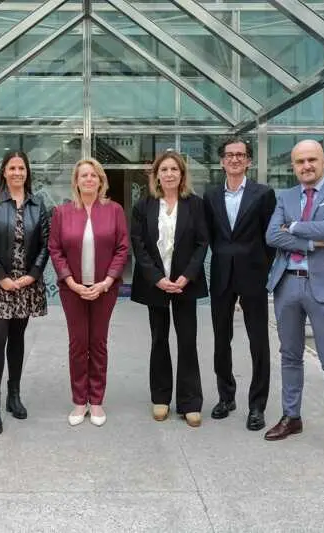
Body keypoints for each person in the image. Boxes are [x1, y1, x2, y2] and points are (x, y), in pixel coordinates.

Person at [264, 139, 324, 461]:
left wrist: (296, 227)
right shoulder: (285, 196)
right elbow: (272, 235)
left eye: (312, 160)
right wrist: (312, 243)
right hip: (287, 284)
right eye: (300, 161)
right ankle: (292, 417)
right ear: (293, 166)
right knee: (289, 356)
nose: (306, 166)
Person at [203, 138, 276, 431]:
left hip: (253, 275)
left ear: (248, 161)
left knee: (259, 341)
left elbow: (271, 238)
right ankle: (226, 396)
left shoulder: (263, 194)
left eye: (240, 155)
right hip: (222, 275)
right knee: (221, 341)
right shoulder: (210, 196)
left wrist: (260, 265)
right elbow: (208, 235)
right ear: (222, 161)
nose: (235, 159)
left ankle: (257, 405)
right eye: (230, 155)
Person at [49, 158, 129, 427]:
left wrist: (106, 282)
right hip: (72, 290)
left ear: (101, 180)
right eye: (84, 175)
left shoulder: (114, 210)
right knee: (77, 344)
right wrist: (70, 281)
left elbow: (122, 248)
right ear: (76, 181)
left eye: (94, 175)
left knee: (98, 343)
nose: (89, 179)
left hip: (104, 289)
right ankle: (79, 401)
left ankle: (96, 401)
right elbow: (55, 249)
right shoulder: (63, 212)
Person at [130, 151, 208, 427]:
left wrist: (187, 276)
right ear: (157, 175)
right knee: (159, 339)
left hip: (185, 283)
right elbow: (138, 245)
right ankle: (161, 397)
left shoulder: (195, 205)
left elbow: (202, 244)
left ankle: (190, 402)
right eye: (164, 169)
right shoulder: (144, 206)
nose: (169, 174)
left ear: (182, 174)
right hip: (156, 285)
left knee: (188, 341)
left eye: (174, 169)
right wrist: (156, 278)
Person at [0, 150, 49, 435]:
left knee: (17, 339)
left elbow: (45, 243)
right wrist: (0, 276)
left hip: (26, 284)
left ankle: (13, 395)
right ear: (3, 172)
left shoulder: (37, 204)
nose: (17, 172)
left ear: (27, 172)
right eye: (12, 168)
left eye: (22, 168)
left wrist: (33, 274)